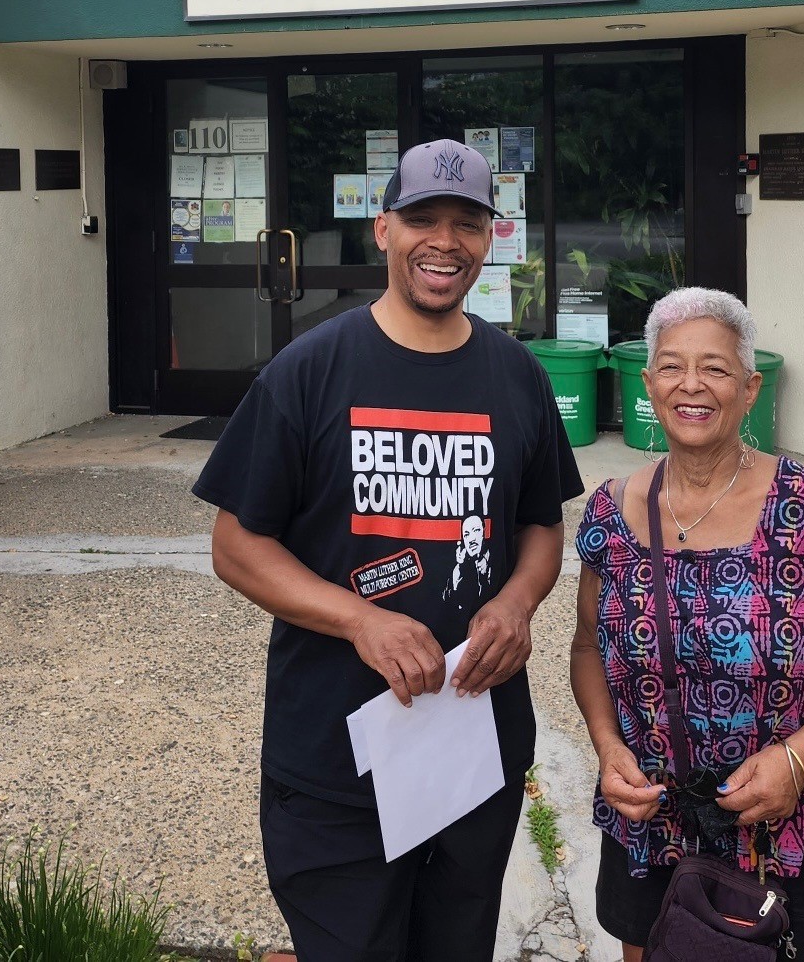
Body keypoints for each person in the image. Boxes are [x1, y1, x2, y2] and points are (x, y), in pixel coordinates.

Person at [196, 137, 583, 962]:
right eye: (422, 219)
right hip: (337, 755)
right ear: (383, 230)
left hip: (471, 742)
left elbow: (541, 525)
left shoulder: (514, 375)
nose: (444, 242)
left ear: (489, 239)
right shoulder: (310, 371)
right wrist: (358, 621)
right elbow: (236, 544)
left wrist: (516, 602)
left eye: (466, 223)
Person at [570, 286, 804, 962]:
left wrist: (797, 760)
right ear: (647, 383)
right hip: (655, 817)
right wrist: (608, 747)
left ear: (750, 388)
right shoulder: (609, 513)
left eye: (715, 368)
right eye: (670, 366)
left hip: (803, 816)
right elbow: (588, 645)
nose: (690, 385)